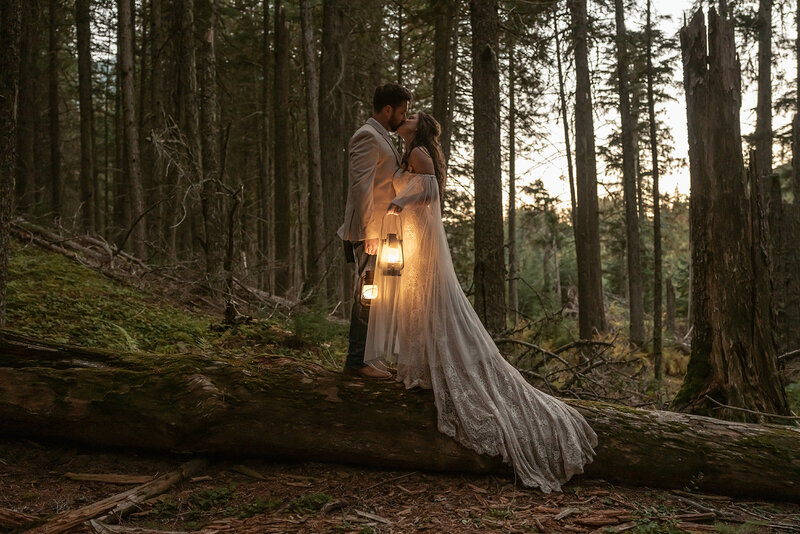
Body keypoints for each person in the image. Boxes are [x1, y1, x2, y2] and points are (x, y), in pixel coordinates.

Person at [365, 111, 598, 492]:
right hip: (408, 234)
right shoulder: (408, 152)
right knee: (415, 300)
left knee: (430, 298)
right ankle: (422, 365)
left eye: (410, 117)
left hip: (421, 234)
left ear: (418, 127)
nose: (404, 119)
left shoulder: (421, 151)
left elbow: (430, 192)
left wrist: (398, 204)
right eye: (402, 115)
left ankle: (444, 366)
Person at [338, 83, 412, 379]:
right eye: (402, 112)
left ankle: (369, 358)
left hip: (383, 233)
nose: (404, 118)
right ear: (387, 110)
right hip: (368, 234)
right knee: (368, 294)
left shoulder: (383, 137)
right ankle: (356, 362)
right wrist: (370, 231)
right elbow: (361, 186)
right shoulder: (367, 136)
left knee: (376, 297)